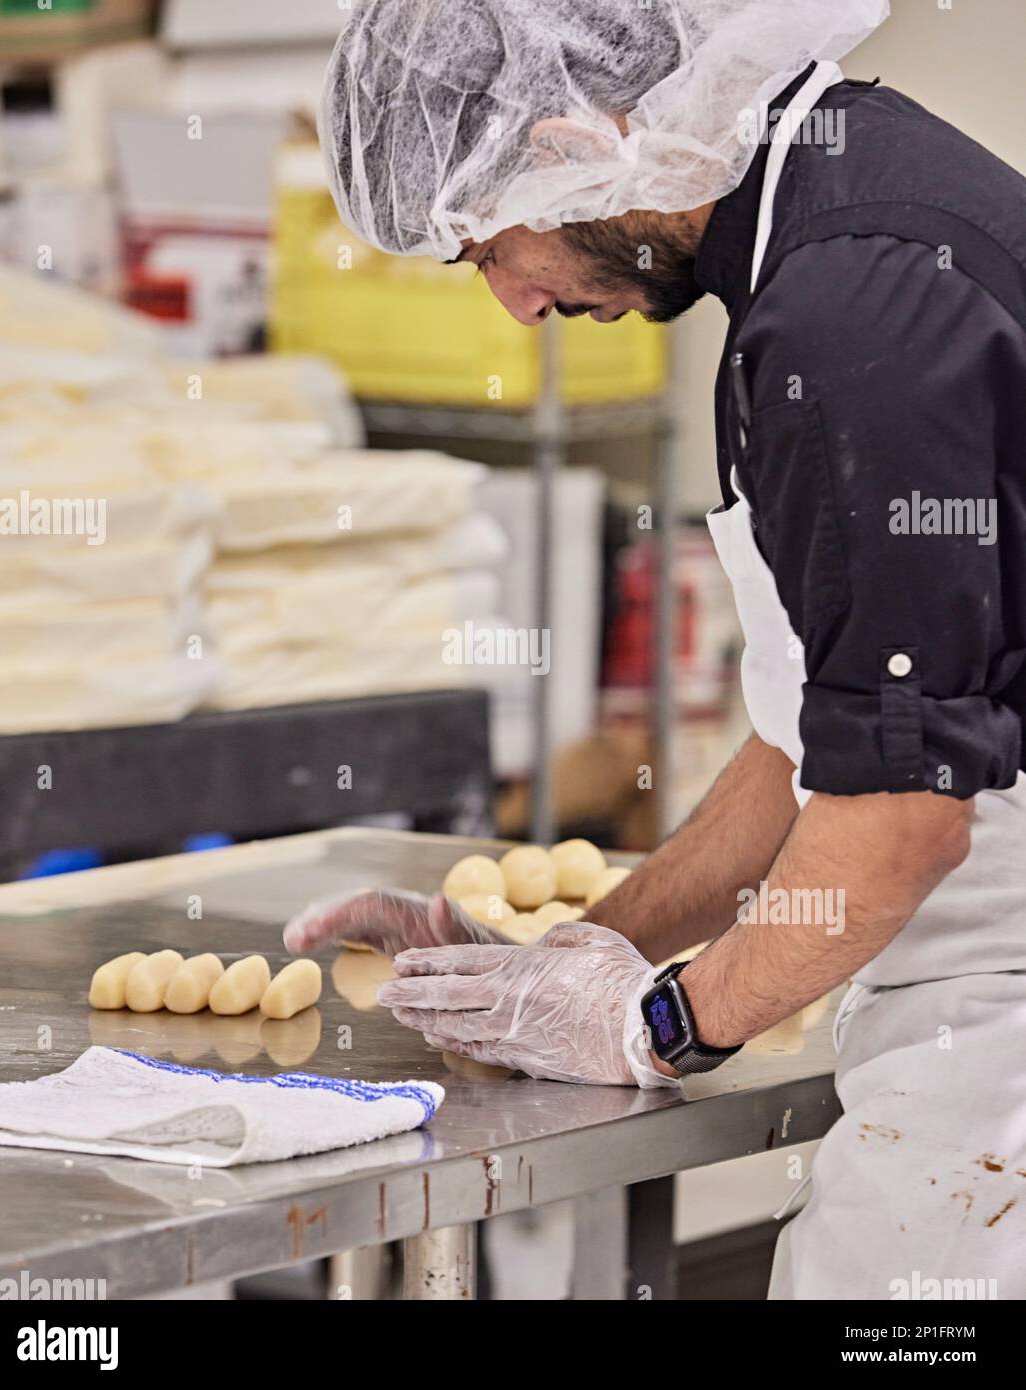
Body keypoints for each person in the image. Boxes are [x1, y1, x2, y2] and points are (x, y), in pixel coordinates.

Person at [286, 0, 1026, 1299]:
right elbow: (820, 740)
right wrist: (579, 956)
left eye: (485, 249)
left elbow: (901, 817)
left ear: (571, 141)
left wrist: (661, 1024)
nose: (518, 306)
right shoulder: (825, 217)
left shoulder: (852, 316)